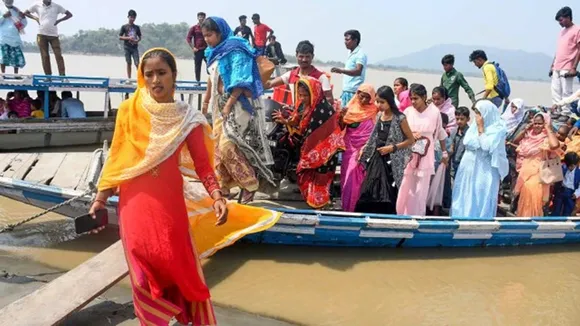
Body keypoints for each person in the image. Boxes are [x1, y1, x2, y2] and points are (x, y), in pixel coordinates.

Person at [89, 48, 280, 325]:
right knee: (142, 279)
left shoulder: (187, 118)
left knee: (177, 268)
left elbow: (203, 165)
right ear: (142, 78)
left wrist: (216, 196)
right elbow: (117, 159)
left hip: (168, 208)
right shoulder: (129, 111)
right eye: (149, 74)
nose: (156, 80)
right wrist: (100, 199)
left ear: (174, 76)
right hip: (133, 206)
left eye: (162, 73)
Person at [202, 16, 276, 203]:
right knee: (217, 146)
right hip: (219, 106)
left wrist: (228, 105)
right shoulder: (212, 52)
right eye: (204, 36)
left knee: (228, 145)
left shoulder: (237, 48)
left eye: (210, 35)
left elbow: (241, 80)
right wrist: (205, 103)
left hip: (238, 105)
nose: (207, 40)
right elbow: (211, 79)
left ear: (220, 32)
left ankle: (250, 184)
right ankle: (225, 187)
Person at [273, 76, 344, 209]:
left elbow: (315, 134)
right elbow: (297, 121)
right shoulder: (303, 105)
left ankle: (321, 202)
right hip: (310, 145)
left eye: (305, 95)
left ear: (314, 92)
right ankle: (311, 198)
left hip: (325, 150)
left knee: (320, 175)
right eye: (300, 95)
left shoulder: (323, 109)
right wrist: (285, 121)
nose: (302, 98)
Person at [356, 86, 414, 213]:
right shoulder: (379, 116)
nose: (379, 105)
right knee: (370, 188)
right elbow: (374, 136)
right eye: (377, 101)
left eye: (382, 102)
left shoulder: (400, 118)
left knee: (388, 191)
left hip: (391, 160)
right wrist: (365, 148)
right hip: (377, 157)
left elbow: (410, 140)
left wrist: (392, 148)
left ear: (390, 101)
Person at [396, 84, 448, 216]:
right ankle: (402, 213)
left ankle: (418, 215)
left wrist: (444, 152)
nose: (413, 102)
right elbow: (400, 132)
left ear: (424, 97)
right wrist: (411, 135)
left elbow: (441, 133)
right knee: (406, 185)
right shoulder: (407, 112)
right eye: (411, 99)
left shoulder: (435, 112)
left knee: (421, 189)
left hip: (426, 154)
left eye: (416, 99)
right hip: (410, 153)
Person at [451, 100, 508, 218]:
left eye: (479, 113)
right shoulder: (473, 127)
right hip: (468, 168)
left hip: (484, 170)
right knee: (465, 195)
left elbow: (486, 146)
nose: (476, 117)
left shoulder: (497, 130)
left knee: (480, 195)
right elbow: (468, 142)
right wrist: (480, 139)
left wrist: (481, 129)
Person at [513, 112, 561, 217]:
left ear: (545, 123)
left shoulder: (546, 138)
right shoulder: (529, 136)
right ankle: (524, 223)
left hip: (539, 174)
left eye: (540, 123)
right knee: (524, 197)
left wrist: (548, 128)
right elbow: (515, 141)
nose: (537, 126)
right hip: (524, 173)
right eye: (535, 123)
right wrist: (526, 128)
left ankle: (533, 222)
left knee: (532, 193)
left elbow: (555, 145)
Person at [340, 84, 378, 212]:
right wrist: (341, 116)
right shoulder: (350, 109)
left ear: (372, 98)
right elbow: (341, 127)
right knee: (347, 176)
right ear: (357, 95)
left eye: (367, 98)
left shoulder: (374, 110)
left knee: (358, 177)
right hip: (349, 148)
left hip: (364, 149)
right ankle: (346, 207)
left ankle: (356, 207)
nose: (363, 100)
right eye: (361, 97)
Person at [265, 40, 333, 103]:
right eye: (301, 56)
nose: (304, 59)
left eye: (307, 56)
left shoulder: (321, 77)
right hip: (296, 113)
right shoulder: (291, 75)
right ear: (296, 56)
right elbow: (270, 84)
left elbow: (330, 99)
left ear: (312, 56)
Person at [24, 0, 72, 76]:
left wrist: (59, 20)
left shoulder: (56, 6)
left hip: (53, 35)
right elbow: (26, 12)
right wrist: (36, 18)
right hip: (41, 34)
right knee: (45, 56)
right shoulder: (37, 5)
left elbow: (69, 14)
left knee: (58, 56)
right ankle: (48, 76)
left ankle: (62, 76)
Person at [550, 7, 580, 116]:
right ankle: (556, 111)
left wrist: (574, 67)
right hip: (557, 65)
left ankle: (566, 113)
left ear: (568, 17)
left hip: (568, 66)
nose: (560, 23)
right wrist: (552, 65)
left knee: (566, 92)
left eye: (561, 20)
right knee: (555, 91)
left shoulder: (577, 30)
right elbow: (559, 50)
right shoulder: (562, 31)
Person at [331, 30, 368, 107]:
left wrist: (341, 71)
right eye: (345, 40)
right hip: (346, 90)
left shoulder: (360, 54)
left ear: (355, 40)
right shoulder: (350, 52)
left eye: (347, 40)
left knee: (350, 116)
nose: (345, 42)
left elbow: (358, 71)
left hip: (353, 91)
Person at [0, 0, 27, 75]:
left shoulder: (17, 11)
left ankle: (16, 74)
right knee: (3, 58)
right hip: (4, 37)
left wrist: (23, 18)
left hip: (15, 38)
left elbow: (24, 24)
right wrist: (3, 16)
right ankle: (2, 74)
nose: (9, 1)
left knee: (16, 58)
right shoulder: (1, 9)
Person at [552, 152, 580, 216]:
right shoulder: (562, 168)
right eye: (569, 166)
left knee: (568, 211)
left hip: (571, 194)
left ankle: (565, 222)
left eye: (572, 166)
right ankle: (554, 221)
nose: (570, 167)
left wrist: (576, 194)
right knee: (556, 209)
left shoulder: (579, 172)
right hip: (560, 191)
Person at [119, 9, 141, 80]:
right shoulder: (124, 27)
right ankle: (129, 78)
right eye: (131, 17)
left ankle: (140, 78)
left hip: (134, 47)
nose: (132, 19)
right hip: (127, 47)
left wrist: (137, 40)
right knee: (129, 63)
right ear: (128, 17)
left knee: (137, 63)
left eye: (134, 17)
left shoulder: (137, 27)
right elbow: (120, 37)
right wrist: (128, 38)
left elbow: (140, 37)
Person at [186, 12, 207, 82]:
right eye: (200, 17)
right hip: (198, 50)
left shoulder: (208, 27)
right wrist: (193, 48)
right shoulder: (194, 28)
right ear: (197, 18)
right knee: (198, 67)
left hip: (207, 50)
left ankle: (211, 82)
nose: (201, 18)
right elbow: (188, 38)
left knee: (210, 66)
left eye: (202, 17)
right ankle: (198, 82)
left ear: (205, 18)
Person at [450, 106, 470, 177]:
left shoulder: (470, 133)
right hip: (453, 165)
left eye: (462, 119)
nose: (459, 121)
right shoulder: (454, 132)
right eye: (457, 119)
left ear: (468, 119)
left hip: (465, 166)